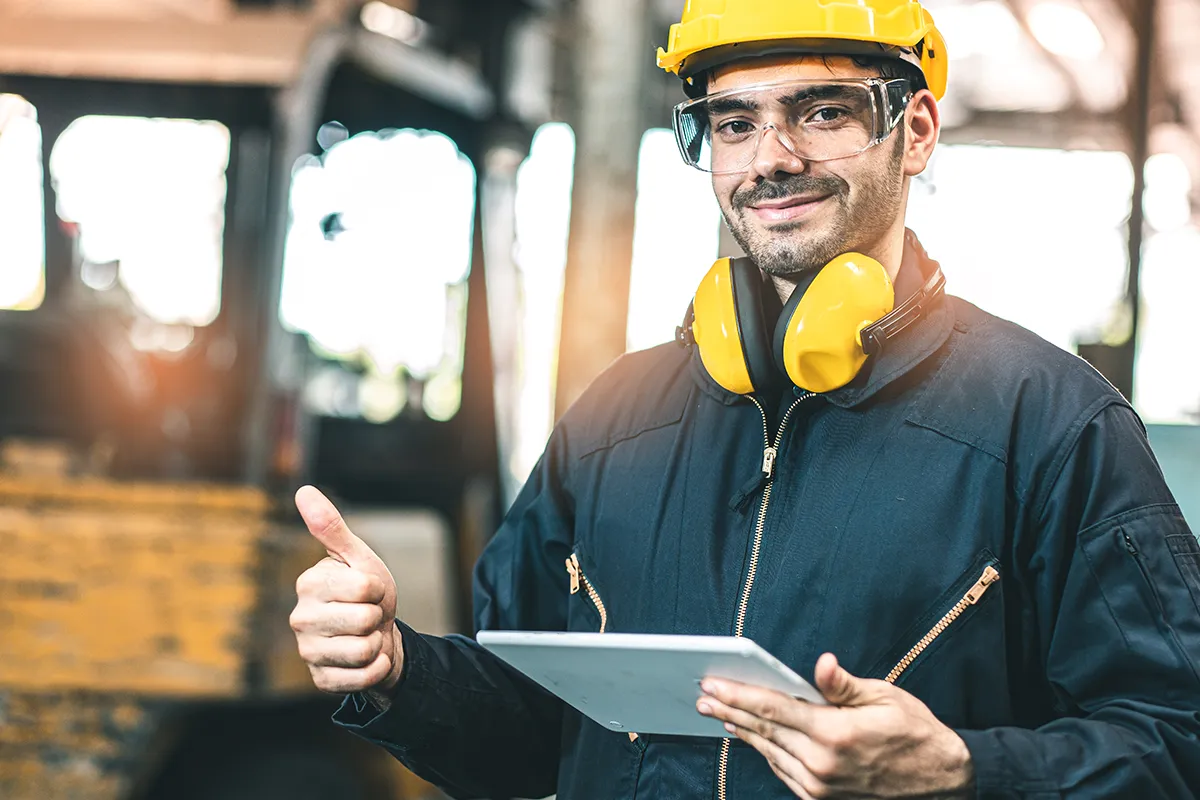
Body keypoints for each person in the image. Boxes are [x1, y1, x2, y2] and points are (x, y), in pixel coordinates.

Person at [288, 0, 1200, 796]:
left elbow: (1175, 743)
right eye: (734, 122)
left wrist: (965, 772)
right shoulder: (615, 419)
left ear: (917, 129)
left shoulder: (1051, 424)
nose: (772, 157)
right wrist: (398, 669)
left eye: (824, 111)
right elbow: (530, 732)